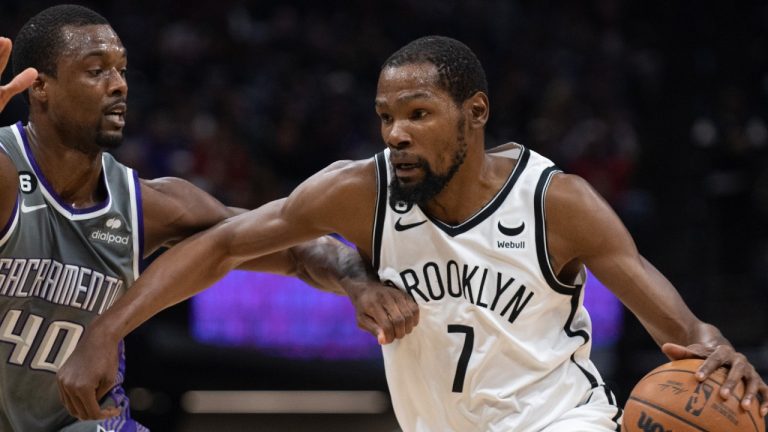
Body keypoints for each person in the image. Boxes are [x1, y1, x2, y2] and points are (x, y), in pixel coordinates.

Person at [58, 35, 768, 430]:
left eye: (419, 114)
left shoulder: (560, 203)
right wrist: (104, 331)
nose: (396, 133)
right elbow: (221, 243)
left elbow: (682, 332)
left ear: (475, 113)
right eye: (385, 116)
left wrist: (719, 351)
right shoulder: (358, 190)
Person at [0, 5, 419, 432]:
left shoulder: (146, 203)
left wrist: (358, 282)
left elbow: (288, 248)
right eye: (96, 71)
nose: (119, 86)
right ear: (40, 88)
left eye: (121, 69)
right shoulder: (7, 174)